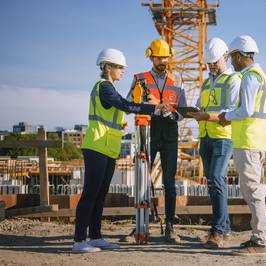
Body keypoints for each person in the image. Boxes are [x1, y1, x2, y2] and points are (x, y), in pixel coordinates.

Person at [73, 48, 167, 253]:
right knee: (90, 193)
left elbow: (119, 108)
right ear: (108, 67)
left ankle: (95, 236)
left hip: (107, 148)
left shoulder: (111, 88)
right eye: (119, 67)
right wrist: (153, 108)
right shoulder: (104, 87)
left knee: (100, 194)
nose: (123, 71)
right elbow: (124, 105)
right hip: (96, 146)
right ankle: (79, 240)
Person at [218, 35, 266, 255]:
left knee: (253, 191)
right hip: (253, 141)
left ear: (240, 56)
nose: (231, 61)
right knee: (251, 190)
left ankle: (260, 241)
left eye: (232, 57)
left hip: (249, 142)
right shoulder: (260, 75)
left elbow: (246, 111)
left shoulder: (250, 77)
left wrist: (226, 116)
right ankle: (258, 238)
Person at [128, 39, 187, 243]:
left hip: (170, 134)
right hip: (148, 133)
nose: (162, 61)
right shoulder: (140, 79)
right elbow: (129, 105)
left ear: (170, 57)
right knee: (143, 180)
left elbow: (183, 111)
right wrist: (147, 105)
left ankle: (169, 226)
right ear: (151, 57)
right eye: (158, 57)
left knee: (169, 183)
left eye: (165, 57)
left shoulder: (178, 80)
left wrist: (171, 112)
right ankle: (139, 225)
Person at [187, 37, 241, 248]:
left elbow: (231, 111)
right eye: (208, 64)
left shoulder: (233, 80)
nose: (211, 67)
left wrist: (205, 116)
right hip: (206, 137)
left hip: (222, 137)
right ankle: (225, 228)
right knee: (212, 182)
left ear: (225, 57)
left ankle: (217, 231)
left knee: (217, 179)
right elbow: (202, 105)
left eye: (215, 63)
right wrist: (192, 112)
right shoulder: (207, 82)